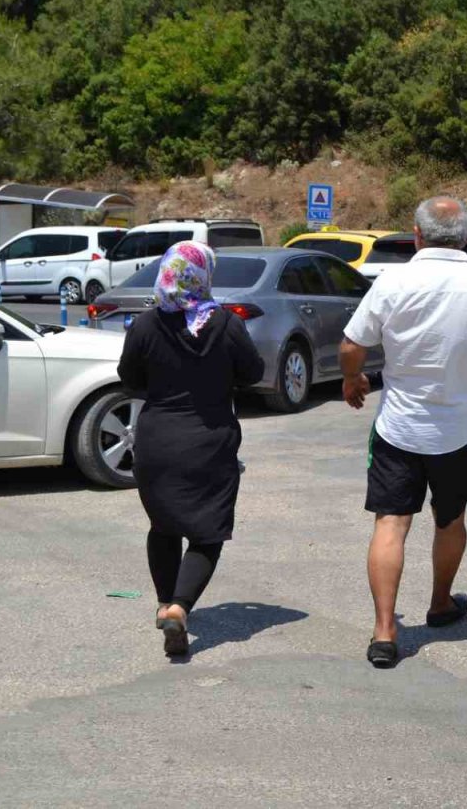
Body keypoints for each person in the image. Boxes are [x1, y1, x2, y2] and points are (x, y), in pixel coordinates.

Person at [340, 196, 467, 669]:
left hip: (399, 430)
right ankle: (440, 603)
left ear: (417, 234)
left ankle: (385, 630)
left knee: (391, 523)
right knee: (449, 520)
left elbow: (352, 345)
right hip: (463, 433)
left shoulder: (394, 282)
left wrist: (353, 379)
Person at [118, 242, 265, 656]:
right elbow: (253, 372)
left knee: (163, 526)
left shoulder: (146, 325)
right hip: (209, 441)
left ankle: (166, 603)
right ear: (203, 275)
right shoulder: (225, 323)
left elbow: (129, 380)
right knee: (207, 531)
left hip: (157, 441)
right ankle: (181, 606)